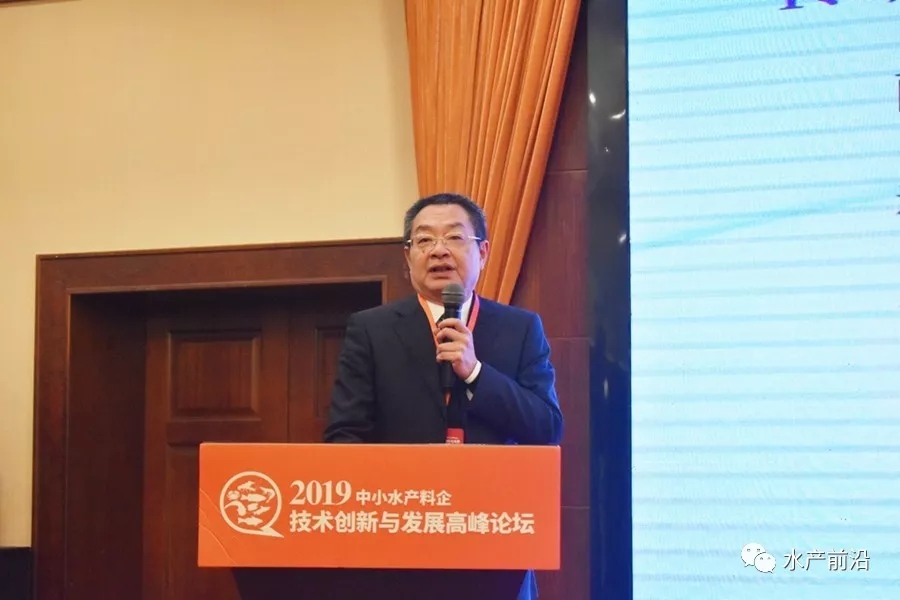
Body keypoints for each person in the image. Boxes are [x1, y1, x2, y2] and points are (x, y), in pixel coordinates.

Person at [323, 192, 563, 599]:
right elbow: (344, 436)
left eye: (454, 237)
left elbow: (546, 428)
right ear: (408, 257)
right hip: (402, 537)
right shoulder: (371, 330)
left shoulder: (520, 328)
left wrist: (476, 372)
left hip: (493, 538)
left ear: (483, 252)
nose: (438, 251)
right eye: (424, 240)